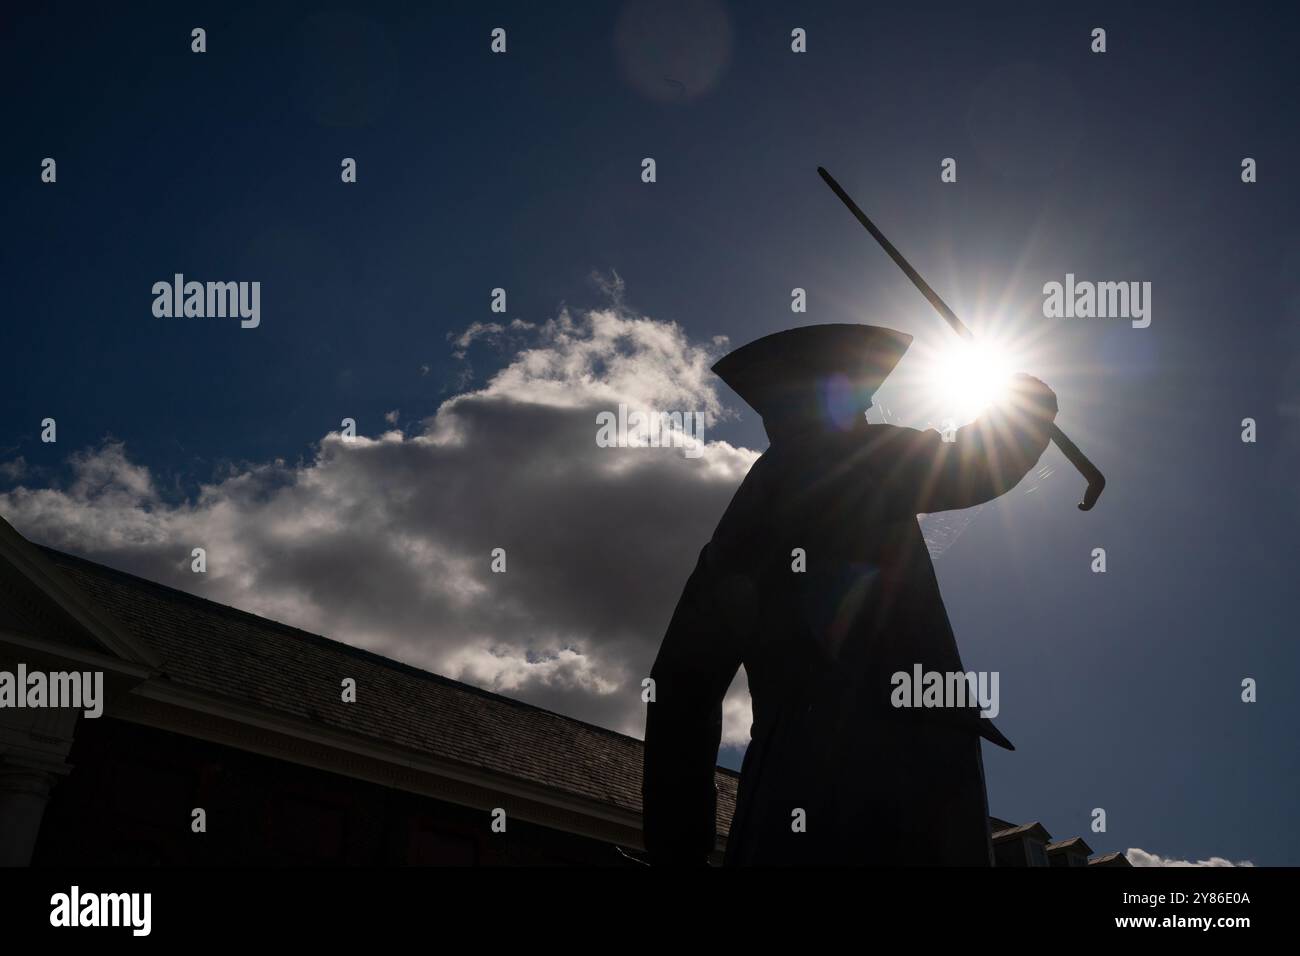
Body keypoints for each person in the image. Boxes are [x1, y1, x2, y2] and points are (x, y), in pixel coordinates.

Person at [642, 323, 1059, 866]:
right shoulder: (855, 455)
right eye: (860, 392)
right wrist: (1028, 404)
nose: (868, 408)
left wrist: (678, 854)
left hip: (792, 772)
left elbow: (681, 687)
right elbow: (973, 462)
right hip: (902, 769)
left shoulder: (742, 521)